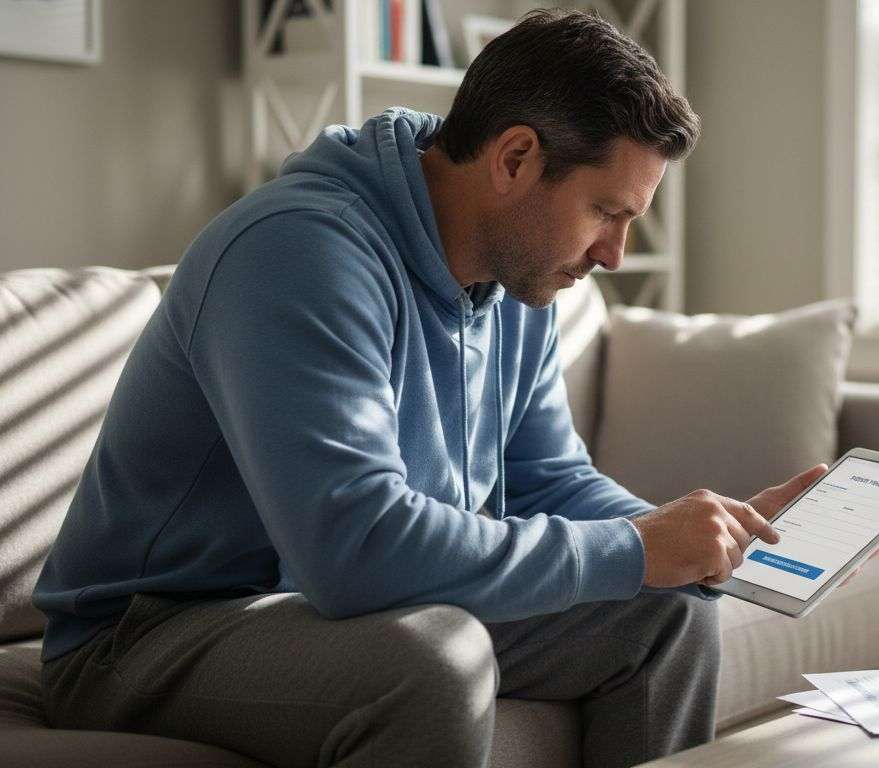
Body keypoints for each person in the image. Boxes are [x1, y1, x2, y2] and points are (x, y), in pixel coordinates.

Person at [31, 9, 836, 768]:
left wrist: (696, 539)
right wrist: (632, 550)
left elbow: (547, 478)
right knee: (431, 662)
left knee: (665, 613)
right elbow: (356, 552)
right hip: (148, 635)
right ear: (515, 158)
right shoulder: (299, 252)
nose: (614, 254)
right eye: (604, 211)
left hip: (332, 612)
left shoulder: (517, 277)